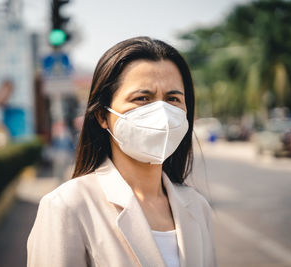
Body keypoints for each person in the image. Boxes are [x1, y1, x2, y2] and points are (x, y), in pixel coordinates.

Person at [27, 37, 217, 267]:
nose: (162, 112)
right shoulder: (68, 206)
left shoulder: (197, 207)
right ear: (102, 116)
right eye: (142, 98)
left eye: (173, 99)